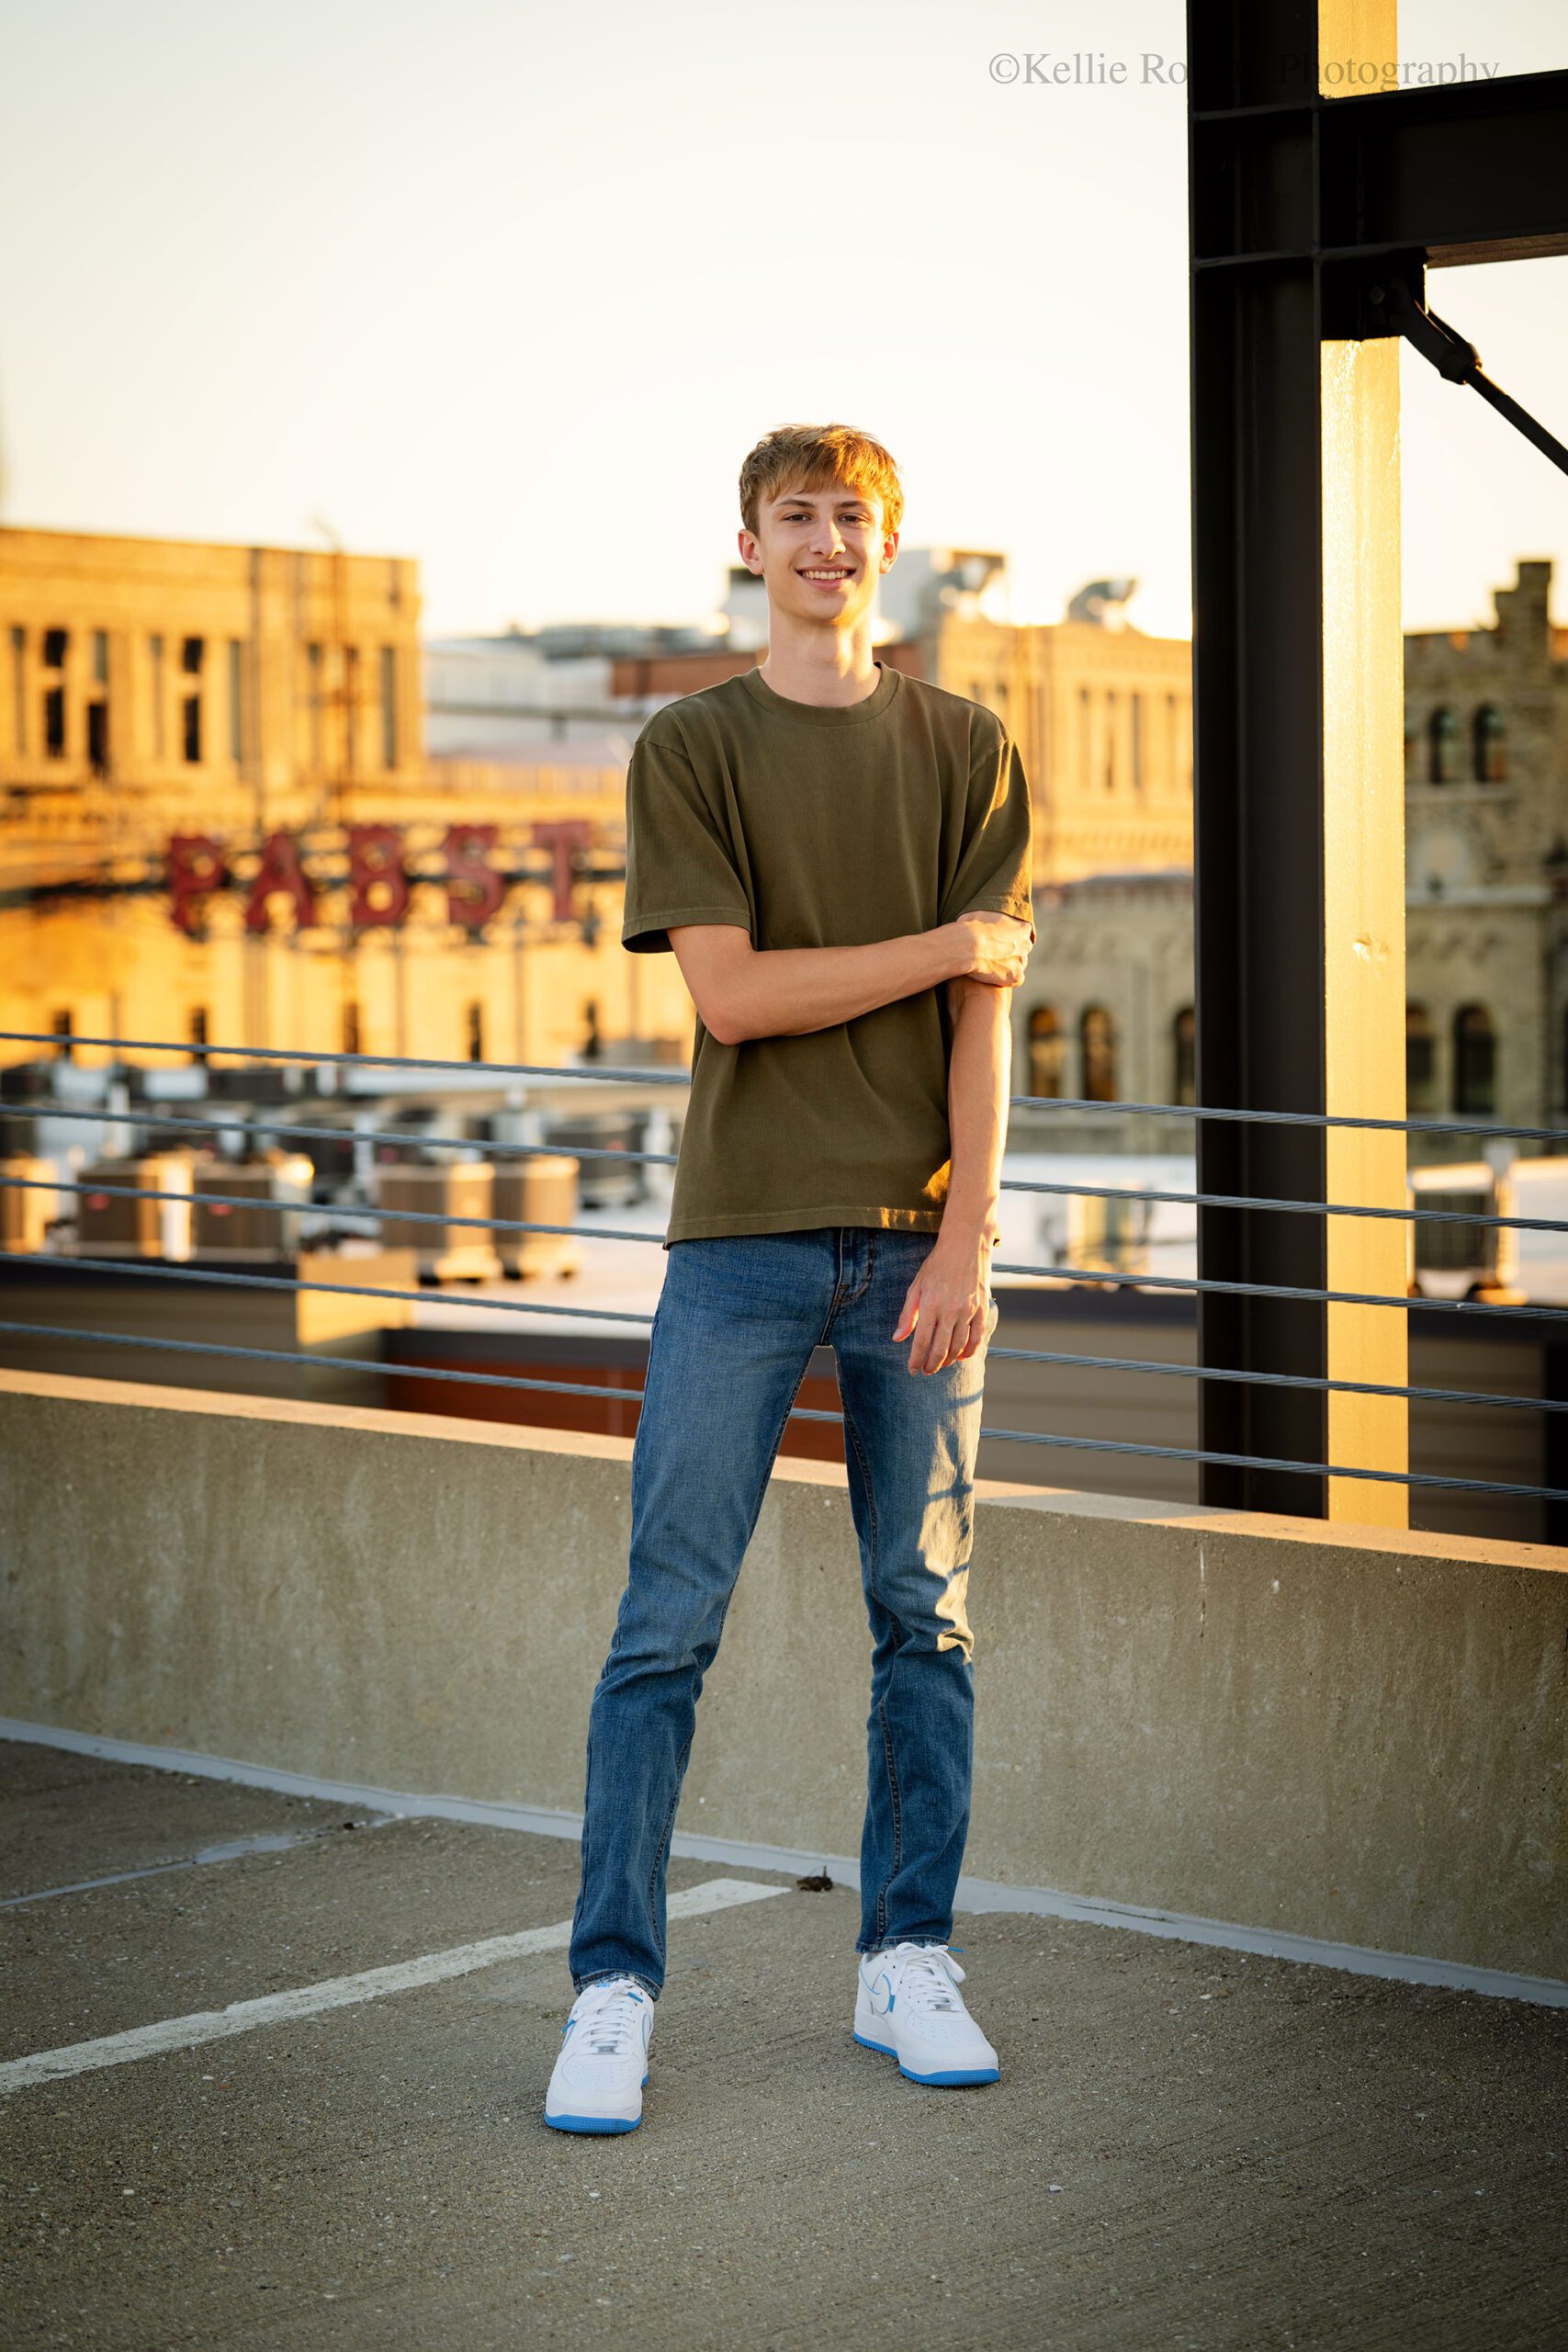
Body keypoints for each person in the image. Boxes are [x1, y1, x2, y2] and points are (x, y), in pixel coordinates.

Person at [545, 423, 1034, 2134]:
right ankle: (612, 1988)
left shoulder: (969, 745)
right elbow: (733, 1000)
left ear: (886, 544)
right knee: (663, 1628)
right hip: (739, 1242)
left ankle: (908, 1961)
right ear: (749, 544)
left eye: (853, 517)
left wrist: (973, 1231)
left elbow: (986, 1027)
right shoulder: (691, 745)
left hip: (919, 1248)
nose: (827, 541)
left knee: (927, 1617)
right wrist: (947, 943)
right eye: (797, 516)